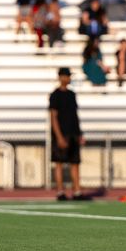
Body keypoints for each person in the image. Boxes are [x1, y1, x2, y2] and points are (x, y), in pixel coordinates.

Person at [49, 68, 86, 201]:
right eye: (67, 76)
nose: (69, 78)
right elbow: (53, 116)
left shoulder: (72, 94)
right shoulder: (55, 95)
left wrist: (80, 134)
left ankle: (77, 191)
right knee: (59, 162)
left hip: (73, 133)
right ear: (61, 77)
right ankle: (60, 191)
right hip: (61, 134)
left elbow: (75, 115)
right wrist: (58, 136)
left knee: (75, 162)